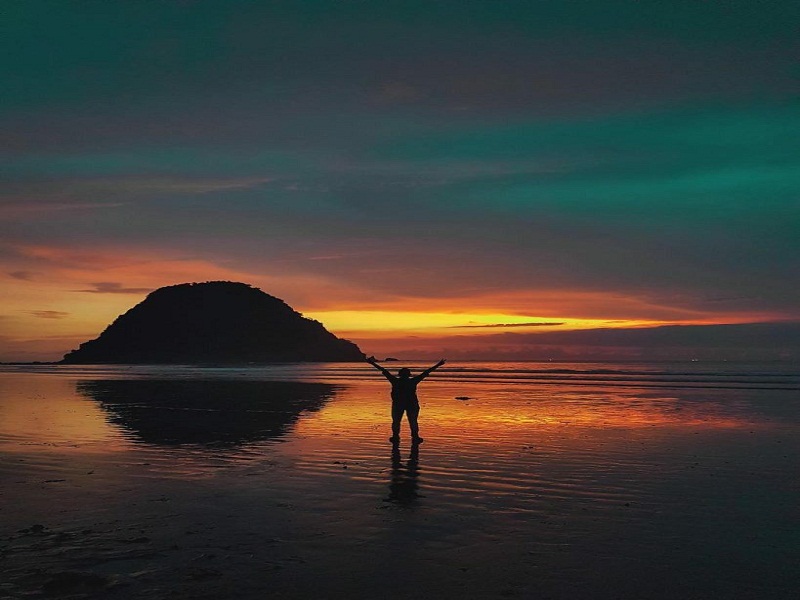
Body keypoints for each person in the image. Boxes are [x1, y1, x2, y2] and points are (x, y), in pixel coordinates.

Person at [366, 356, 446, 444]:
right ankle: (414, 437)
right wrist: (438, 364)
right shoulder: (412, 381)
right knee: (412, 421)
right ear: (409, 374)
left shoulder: (395, 381)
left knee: (397, 421)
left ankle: (396, 436)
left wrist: (372, 363)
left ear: (400, 374)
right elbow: (426, 372)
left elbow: (384, 371)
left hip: (399, 404)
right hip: (410, 404)